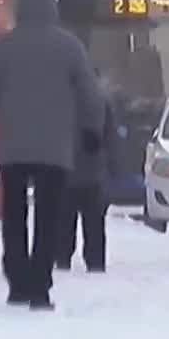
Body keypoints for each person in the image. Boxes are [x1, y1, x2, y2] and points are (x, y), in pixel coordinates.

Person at [0, 0, 105, 311]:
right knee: (49, 216)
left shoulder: (4, 47)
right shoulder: (70, 47)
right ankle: (40, 286)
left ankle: (17, 281)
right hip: (55, 147)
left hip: (13, 147)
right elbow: (91, 94)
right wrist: (92, 130)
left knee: (15, 214)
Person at [56, 72, 121, 273]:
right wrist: (113, 163)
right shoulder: (101, 100)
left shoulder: (59, 100)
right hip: (93, 170)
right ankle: (95, 261)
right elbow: (110, 135)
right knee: (94, 222)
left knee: (64, 220)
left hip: (64, 170)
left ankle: (62, 258)